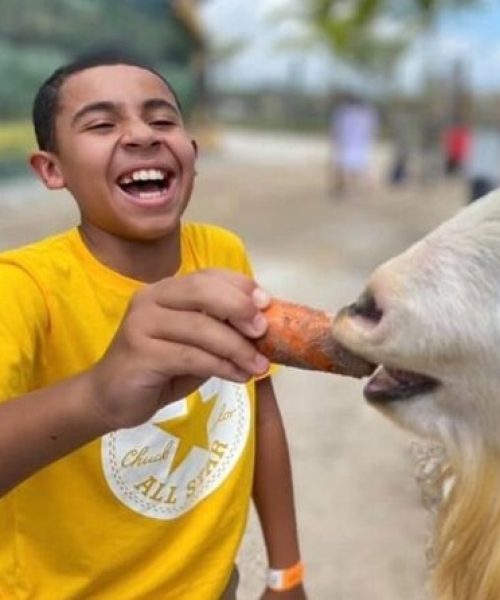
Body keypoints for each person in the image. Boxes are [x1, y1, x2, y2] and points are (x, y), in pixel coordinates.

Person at [0, 51, 306, 599]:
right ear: (52, 169)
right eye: (101, 123)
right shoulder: (23, 288)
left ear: (192, 151)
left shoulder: (221, 254)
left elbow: (260, 415)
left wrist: (287, 572)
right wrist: (96, 397)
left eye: (162, 119)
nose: (142, 134)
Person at [328, 92, 378, 198]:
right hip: (360, 143)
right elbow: (373, 128)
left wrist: (335, 141)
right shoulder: (367, 112)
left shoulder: (343, 112)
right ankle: (354, 188)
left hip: (349, 143)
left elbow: (336, 129)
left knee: (344, 166)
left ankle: (346, 188)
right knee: (359, 167)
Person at [463, 123, 500, 203]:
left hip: (479, 176)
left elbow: (469, 155)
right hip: (485, 177)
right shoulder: (497, 139)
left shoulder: (477, 137)